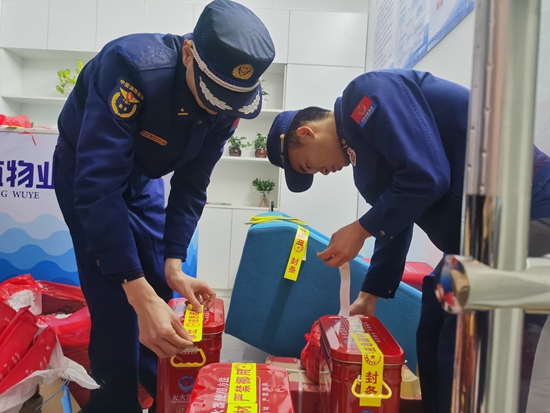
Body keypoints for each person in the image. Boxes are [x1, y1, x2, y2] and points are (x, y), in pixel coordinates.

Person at [266, 69, 550, 413]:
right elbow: (395, 224)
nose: (321, 173)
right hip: (478, 241)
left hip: (526, 208)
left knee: (466, 347)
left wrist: (361, 228)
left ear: (306, 133)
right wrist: (369, 294)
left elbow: (428, 175)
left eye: (308, 166)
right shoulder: (363, 168)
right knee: (432, 324)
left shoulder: (365, 95)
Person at [53, 1, 275, 411]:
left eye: (226, 104)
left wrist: (174, 264)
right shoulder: (132, 69)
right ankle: (114, 402)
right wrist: (134, 290)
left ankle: (166, 395)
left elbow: (192, 184)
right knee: (116, 298)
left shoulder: (227, 102)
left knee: (158, 284)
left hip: (142, 179)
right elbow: (99, 185)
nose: (215, 110)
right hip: (86, 173)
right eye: (211, 98)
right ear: (189, 53)